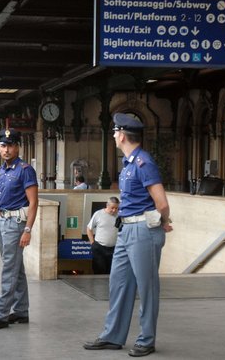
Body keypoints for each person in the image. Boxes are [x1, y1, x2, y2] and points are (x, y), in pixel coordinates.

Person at [83, 113, 173, 357]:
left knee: (147, 288)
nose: (113, 136)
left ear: (122, 135)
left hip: (143, 230)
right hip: (125, 230)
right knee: (119, 284)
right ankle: (113, 336)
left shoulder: (144, 163)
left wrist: (163, 222)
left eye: (114, 132)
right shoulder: (129, 163)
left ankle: (146, 339)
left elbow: (162, 202)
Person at [0, 128, 38, 331]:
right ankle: (21, 311)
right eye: (3, 145)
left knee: (8, 270)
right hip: (3, 222)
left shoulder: (25, 170)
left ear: (17, 147)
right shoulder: (3, 170)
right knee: (16, 268)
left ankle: (0, 315)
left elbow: (33, 203)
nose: (6, 149)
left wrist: (28, 230)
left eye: (10, 145)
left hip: (16, 225)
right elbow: (0, 202)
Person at [86, 196, 119, 274]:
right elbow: (89, 228)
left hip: (114, 248)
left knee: (112, 272)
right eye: (112, 208)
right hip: (99, 248)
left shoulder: (119, 216)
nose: (114, 210)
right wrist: (92, 243)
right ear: (107, 205)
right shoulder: (98, 214)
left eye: (116, 208)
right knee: (99, 271)